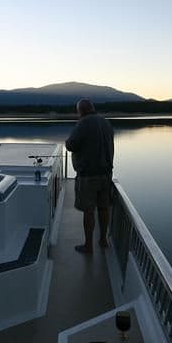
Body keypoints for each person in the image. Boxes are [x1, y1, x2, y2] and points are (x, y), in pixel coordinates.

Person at [65, 98, 114, 254]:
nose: (78, 114)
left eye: (78, 111)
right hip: (106, 174)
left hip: (88, 176)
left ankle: (88, 245)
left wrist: (67, 141)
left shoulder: (84, 123)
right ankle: (103, 240)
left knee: (89, 211)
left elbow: (71, 145)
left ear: (82, 110)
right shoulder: (105, 123)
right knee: (104, 208)